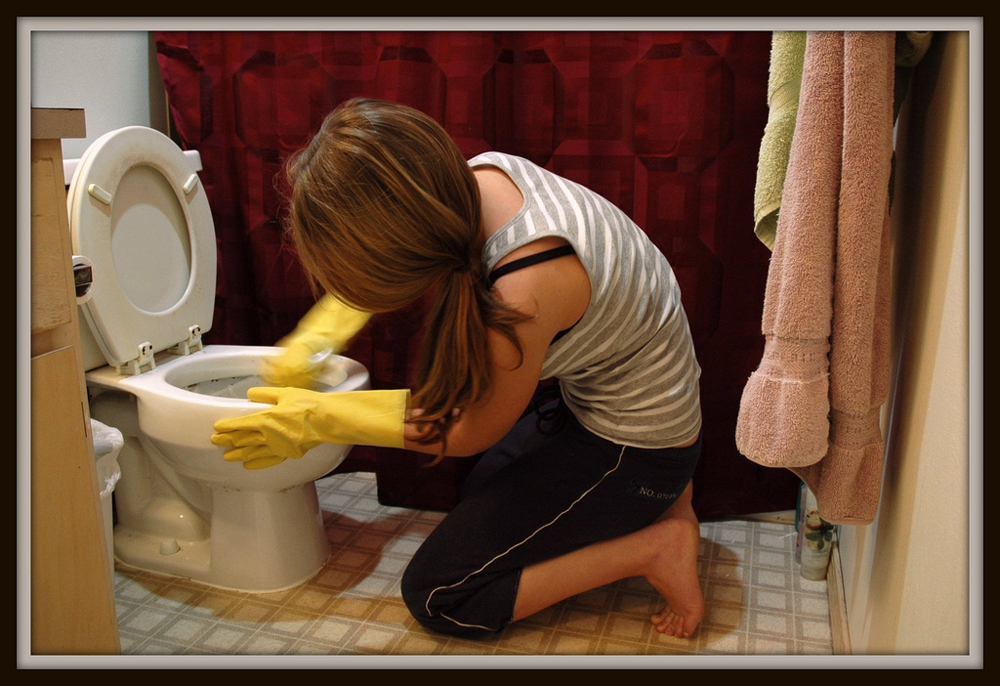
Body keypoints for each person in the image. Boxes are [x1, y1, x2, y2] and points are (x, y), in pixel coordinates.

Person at [211, 97, 705, 640]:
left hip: (639, 447)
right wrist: (314, 338)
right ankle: (660, 507)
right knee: (480, 490)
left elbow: (470, 427)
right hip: (613, 399)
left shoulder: (524, 287)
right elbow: (402, 239)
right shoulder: (470, 181)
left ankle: (656, 546)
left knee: (442, 594)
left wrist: (318, 419)